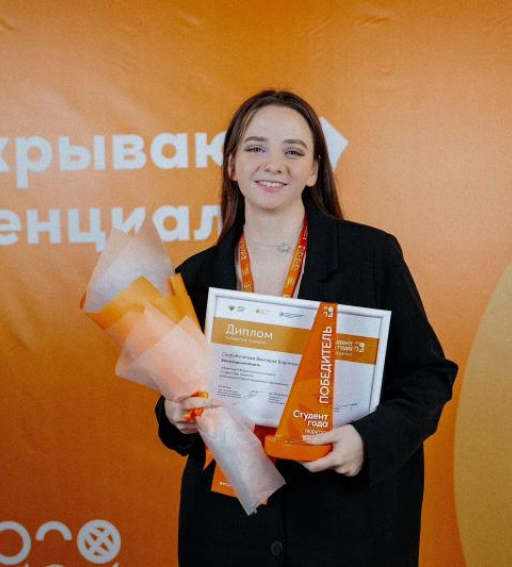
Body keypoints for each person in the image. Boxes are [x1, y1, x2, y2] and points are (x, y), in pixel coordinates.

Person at [155, 90, 458, 566]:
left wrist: (367, 442)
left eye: (293, 151)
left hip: (348, 528)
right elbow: (180, 407)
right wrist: (175, 414)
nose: (273, 164)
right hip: (230, 531)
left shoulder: (370, 256)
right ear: (231, 164)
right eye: (255, 148)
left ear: (314, 170)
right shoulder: (194, 276)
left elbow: (428, 377)